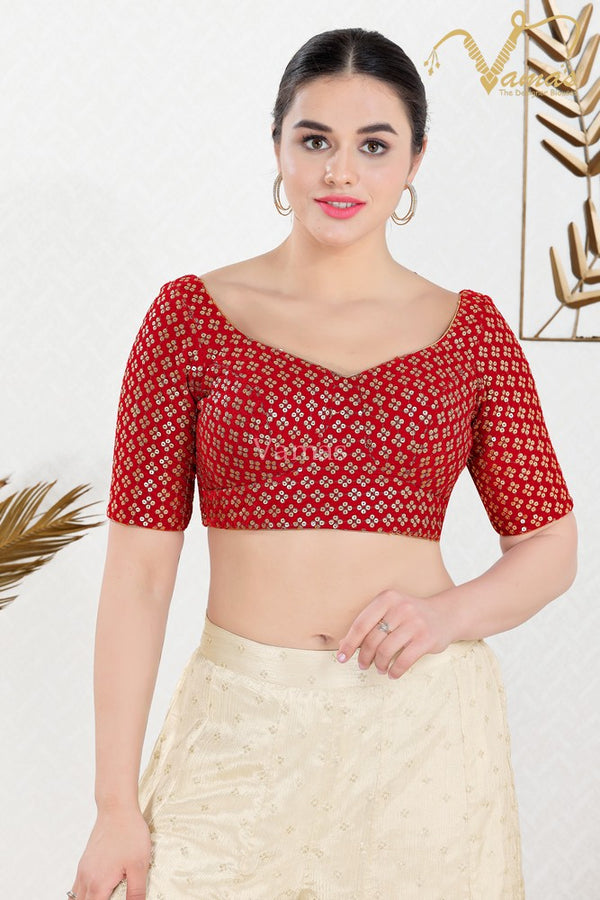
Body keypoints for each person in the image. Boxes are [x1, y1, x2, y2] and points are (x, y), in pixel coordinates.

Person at [68, 26, 577, 900]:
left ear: (415, 160)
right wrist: (115, 806)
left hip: (423, 737)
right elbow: (140, 578)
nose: (341, 173)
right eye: (315, 141)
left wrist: (448, 616)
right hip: (237, 732)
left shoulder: (471, 334)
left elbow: (550, 547)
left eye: (374, 146)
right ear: (278, 147)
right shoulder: (190, 319)